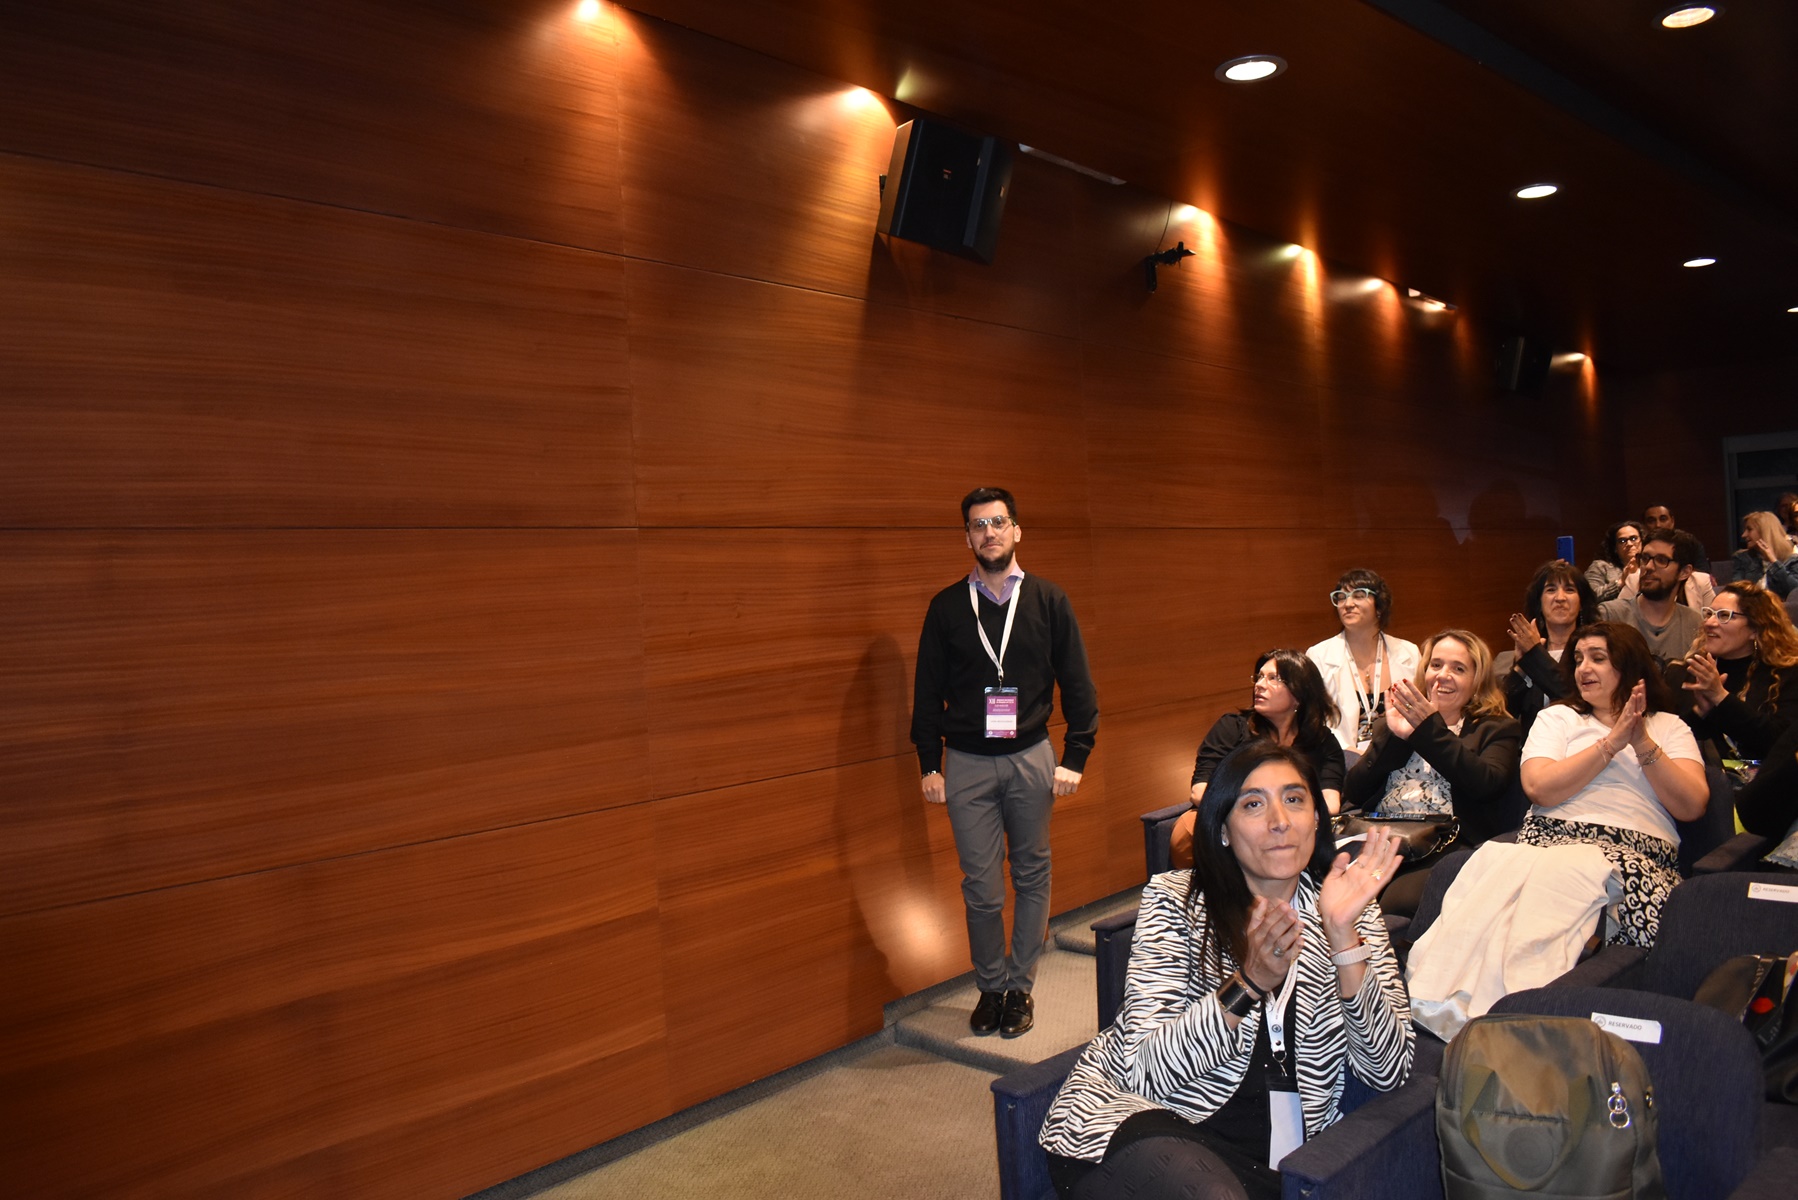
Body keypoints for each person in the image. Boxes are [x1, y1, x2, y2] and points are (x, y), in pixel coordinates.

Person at [1038, 743, 1412, 1200]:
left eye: (1294, 799)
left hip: (1271, 1159)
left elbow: (1388, 1072)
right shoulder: (1175, 902)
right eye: (1253, 804)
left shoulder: (1352, 910)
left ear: (1317, 817)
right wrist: (1248, 983)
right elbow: (1146, 1072)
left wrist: (1342, 939)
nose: (1280, 820)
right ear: (1223, 831)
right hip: (1142, 1122)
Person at [911, 487, 1098, 1038]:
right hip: (966, 762)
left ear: (1016, 530)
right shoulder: (947, 607)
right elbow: (927, 691)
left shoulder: (1048, 600)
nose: (988, 533)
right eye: (978, 525)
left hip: (1030, 756)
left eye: (997, 522)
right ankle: (990, 987)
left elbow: (1078, 684)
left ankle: (1021, 987)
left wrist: (1076, 755)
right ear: (967, 538)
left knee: (1032, 872)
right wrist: (929, 763)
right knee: (981, 884)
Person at [1518, 623, 1708, 946]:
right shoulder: (1557, 717)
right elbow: (1538, 787)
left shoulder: (1669, 727)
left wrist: (1641, 741)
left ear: (1630, 666)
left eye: (1597, 658)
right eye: (1578, 659)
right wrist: (1611, 744)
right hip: (1554, 839)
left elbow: (1692, 806)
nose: (1583, 668)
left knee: (1629, 891)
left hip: (1640, 853)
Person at [1342, 630, 1522, 915]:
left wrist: (1428, 730)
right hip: (1380, 838)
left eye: (1458, 669)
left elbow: (1487, 785)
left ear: (1477, 681)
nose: (1443, 675)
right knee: (1331, 891)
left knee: (1392, 905)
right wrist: (1398, 737)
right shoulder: (1392, 722)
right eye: (1436, 665)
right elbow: (1355, 791)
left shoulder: (1497, 728)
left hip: (1444, 844)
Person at [1170, 650, 1345, 869]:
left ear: (1299, 693)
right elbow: (1199, 791)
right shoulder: (1232, 728)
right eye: (1259, 677)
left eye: (1273, 678)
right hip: (1231, 825)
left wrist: (1285, 817)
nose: (1260, 685)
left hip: (1293, 827)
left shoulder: (1322, 742)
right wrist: (1252, 817)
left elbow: (1330, 803)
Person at [1669, 582, 1798, 792]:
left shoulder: (1787, 673)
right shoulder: (1688, 672)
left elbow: (1781, 745)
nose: (1710, 622)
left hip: (1770, 790)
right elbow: (1670, 743)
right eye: (1709, 613)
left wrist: (1721, 697)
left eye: (1724, 615)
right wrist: (1700, 712)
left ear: (1755, 629)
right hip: (1700, 789)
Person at [1305, 570, 1420, 752]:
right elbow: (1315, 721)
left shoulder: (1409, 652)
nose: (1348, 604)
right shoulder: (1318, 656)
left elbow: (1420, 713)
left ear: (1379, 606)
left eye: (1359, 596)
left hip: (1400, 755)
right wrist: (1352, 754)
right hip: (1342, 757)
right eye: (1341, 597)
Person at [1497, 561, 1601, 737]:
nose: (1560, 598)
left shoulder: (1595, 650)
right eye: (1551, 590)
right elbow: (1503, 714)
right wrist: (1520, 668)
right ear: (1539, 602)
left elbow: (1577, 700)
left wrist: (1534, 655)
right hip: (1534, 746)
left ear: (1582, 602)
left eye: (1569, 590)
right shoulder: (1531, 652)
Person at [1598, 530, 1704, 667]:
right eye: (1645, 558)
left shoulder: (1694, 622)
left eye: (1661, 560)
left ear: (1684, 572)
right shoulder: (1610, 615)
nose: (1648, 567)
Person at [1634, 504, 1714, 606]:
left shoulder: (1690, 545)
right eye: (1645, 558)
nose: (1658, 525)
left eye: (1661, 560)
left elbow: (1712, 614)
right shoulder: (1633, 579)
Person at [1730, 511, 1798, 598]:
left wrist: (1774, 562)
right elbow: (1736, 591)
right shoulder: (1742, 558)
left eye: (1749, 529)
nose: (1744, 535)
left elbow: (1795, 592)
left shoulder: (1793, 559)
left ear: (1764, 531)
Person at [1583, 521, 1642, 603]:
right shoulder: (1600, 567)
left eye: (1633, 538)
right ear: (1615, 548)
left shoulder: (1651, 566)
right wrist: (1620, 583)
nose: (1629, 544)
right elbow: (1589, 597)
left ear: (1642, 542)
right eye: (1622, 541)